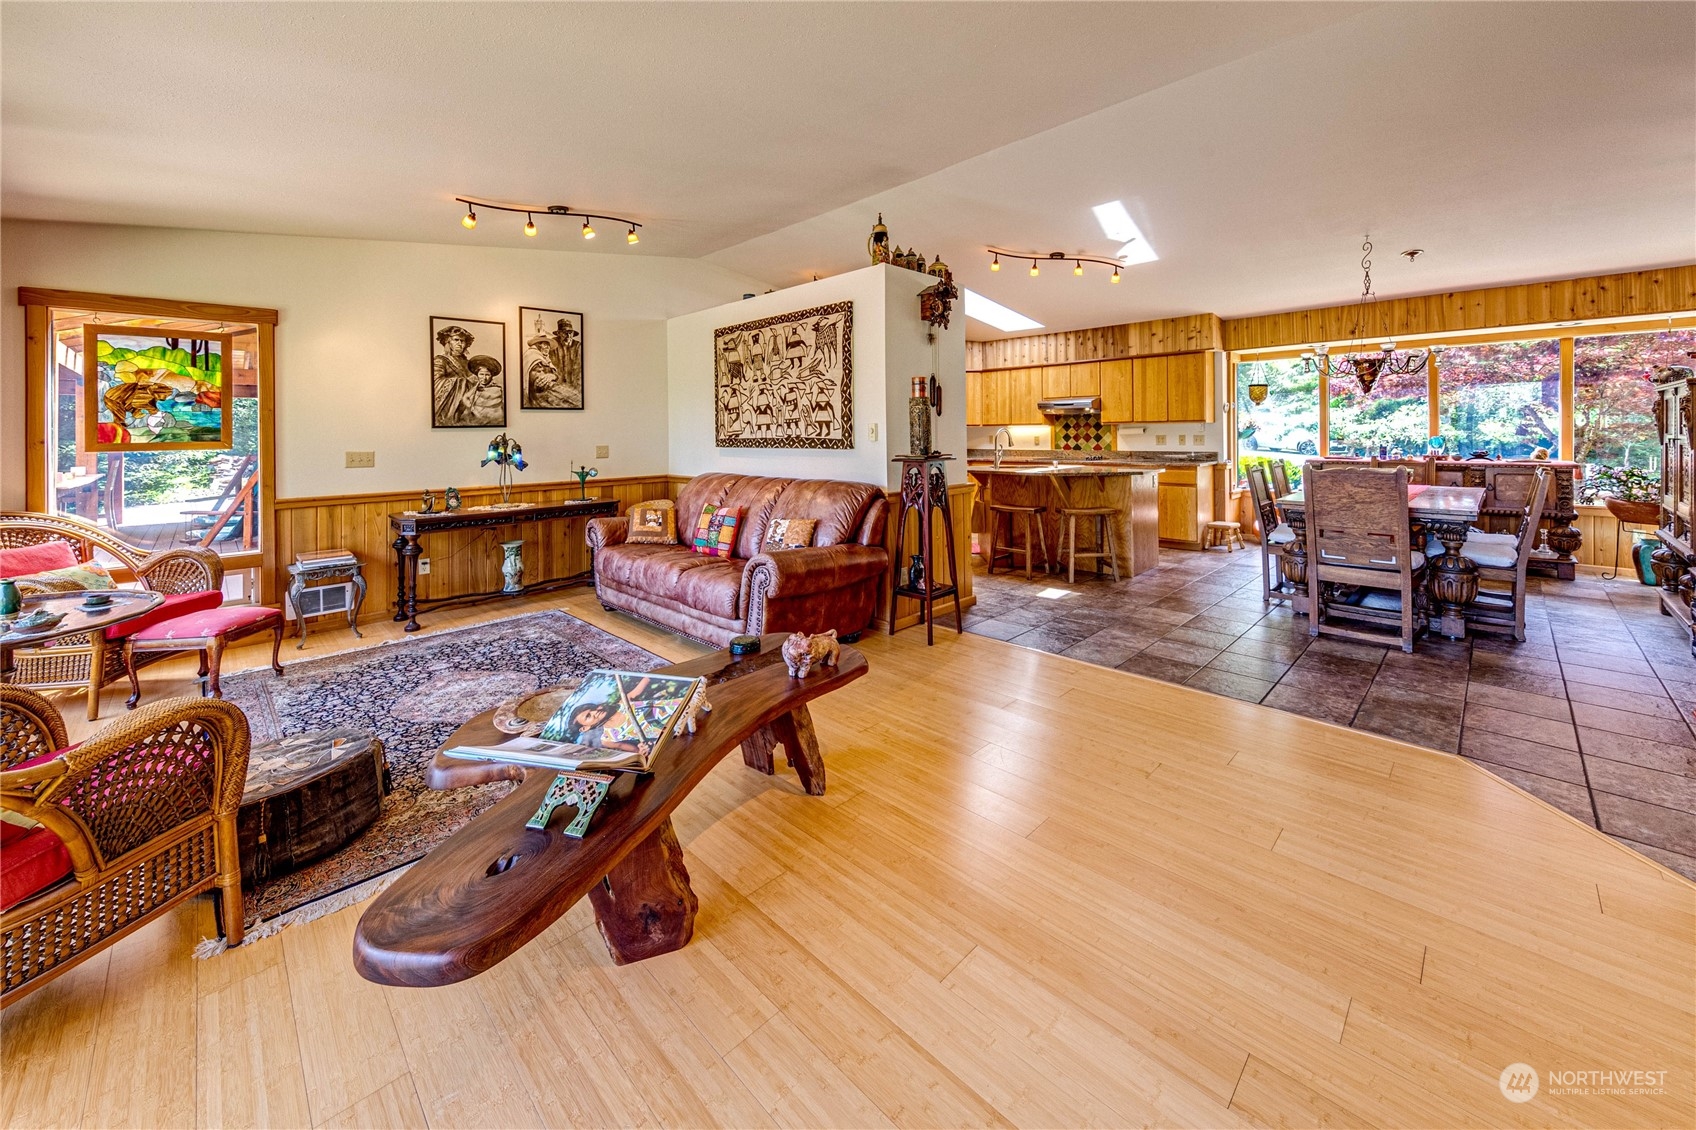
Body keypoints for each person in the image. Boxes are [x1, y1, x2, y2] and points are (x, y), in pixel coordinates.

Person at [432, 325, 476, 424]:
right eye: (456, 340)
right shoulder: (440, 360)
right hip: (451, 408)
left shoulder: (468, 363)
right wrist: (465, 381)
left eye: (462, 341)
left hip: (470, 403)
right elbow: (436, 384)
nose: (460, 343)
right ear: (448, 342)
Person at [465, 355, 504, 425]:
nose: (484, 378)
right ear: (477, 375)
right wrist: (472, 408)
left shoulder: (498, 389)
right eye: (481, 374)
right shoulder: (475, 388)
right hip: (476, 419)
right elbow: (465, 398)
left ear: (492, 375)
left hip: (495, 420)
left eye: (487, 375)